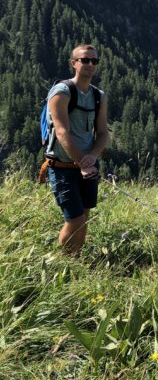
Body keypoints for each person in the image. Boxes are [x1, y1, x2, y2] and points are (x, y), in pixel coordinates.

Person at [44, 44, 109, 254]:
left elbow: (103, 133)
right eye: (85, 60)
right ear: (74, 63)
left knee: (84, 216)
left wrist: (91, 157)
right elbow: (62, 133)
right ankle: (63, 262)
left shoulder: (99, 96)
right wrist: (82, 161)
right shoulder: (61, 92)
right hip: (62, 166)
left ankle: (76, 259)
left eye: (94, 61)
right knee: (75, 218)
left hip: (87, 165)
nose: (90, 64)